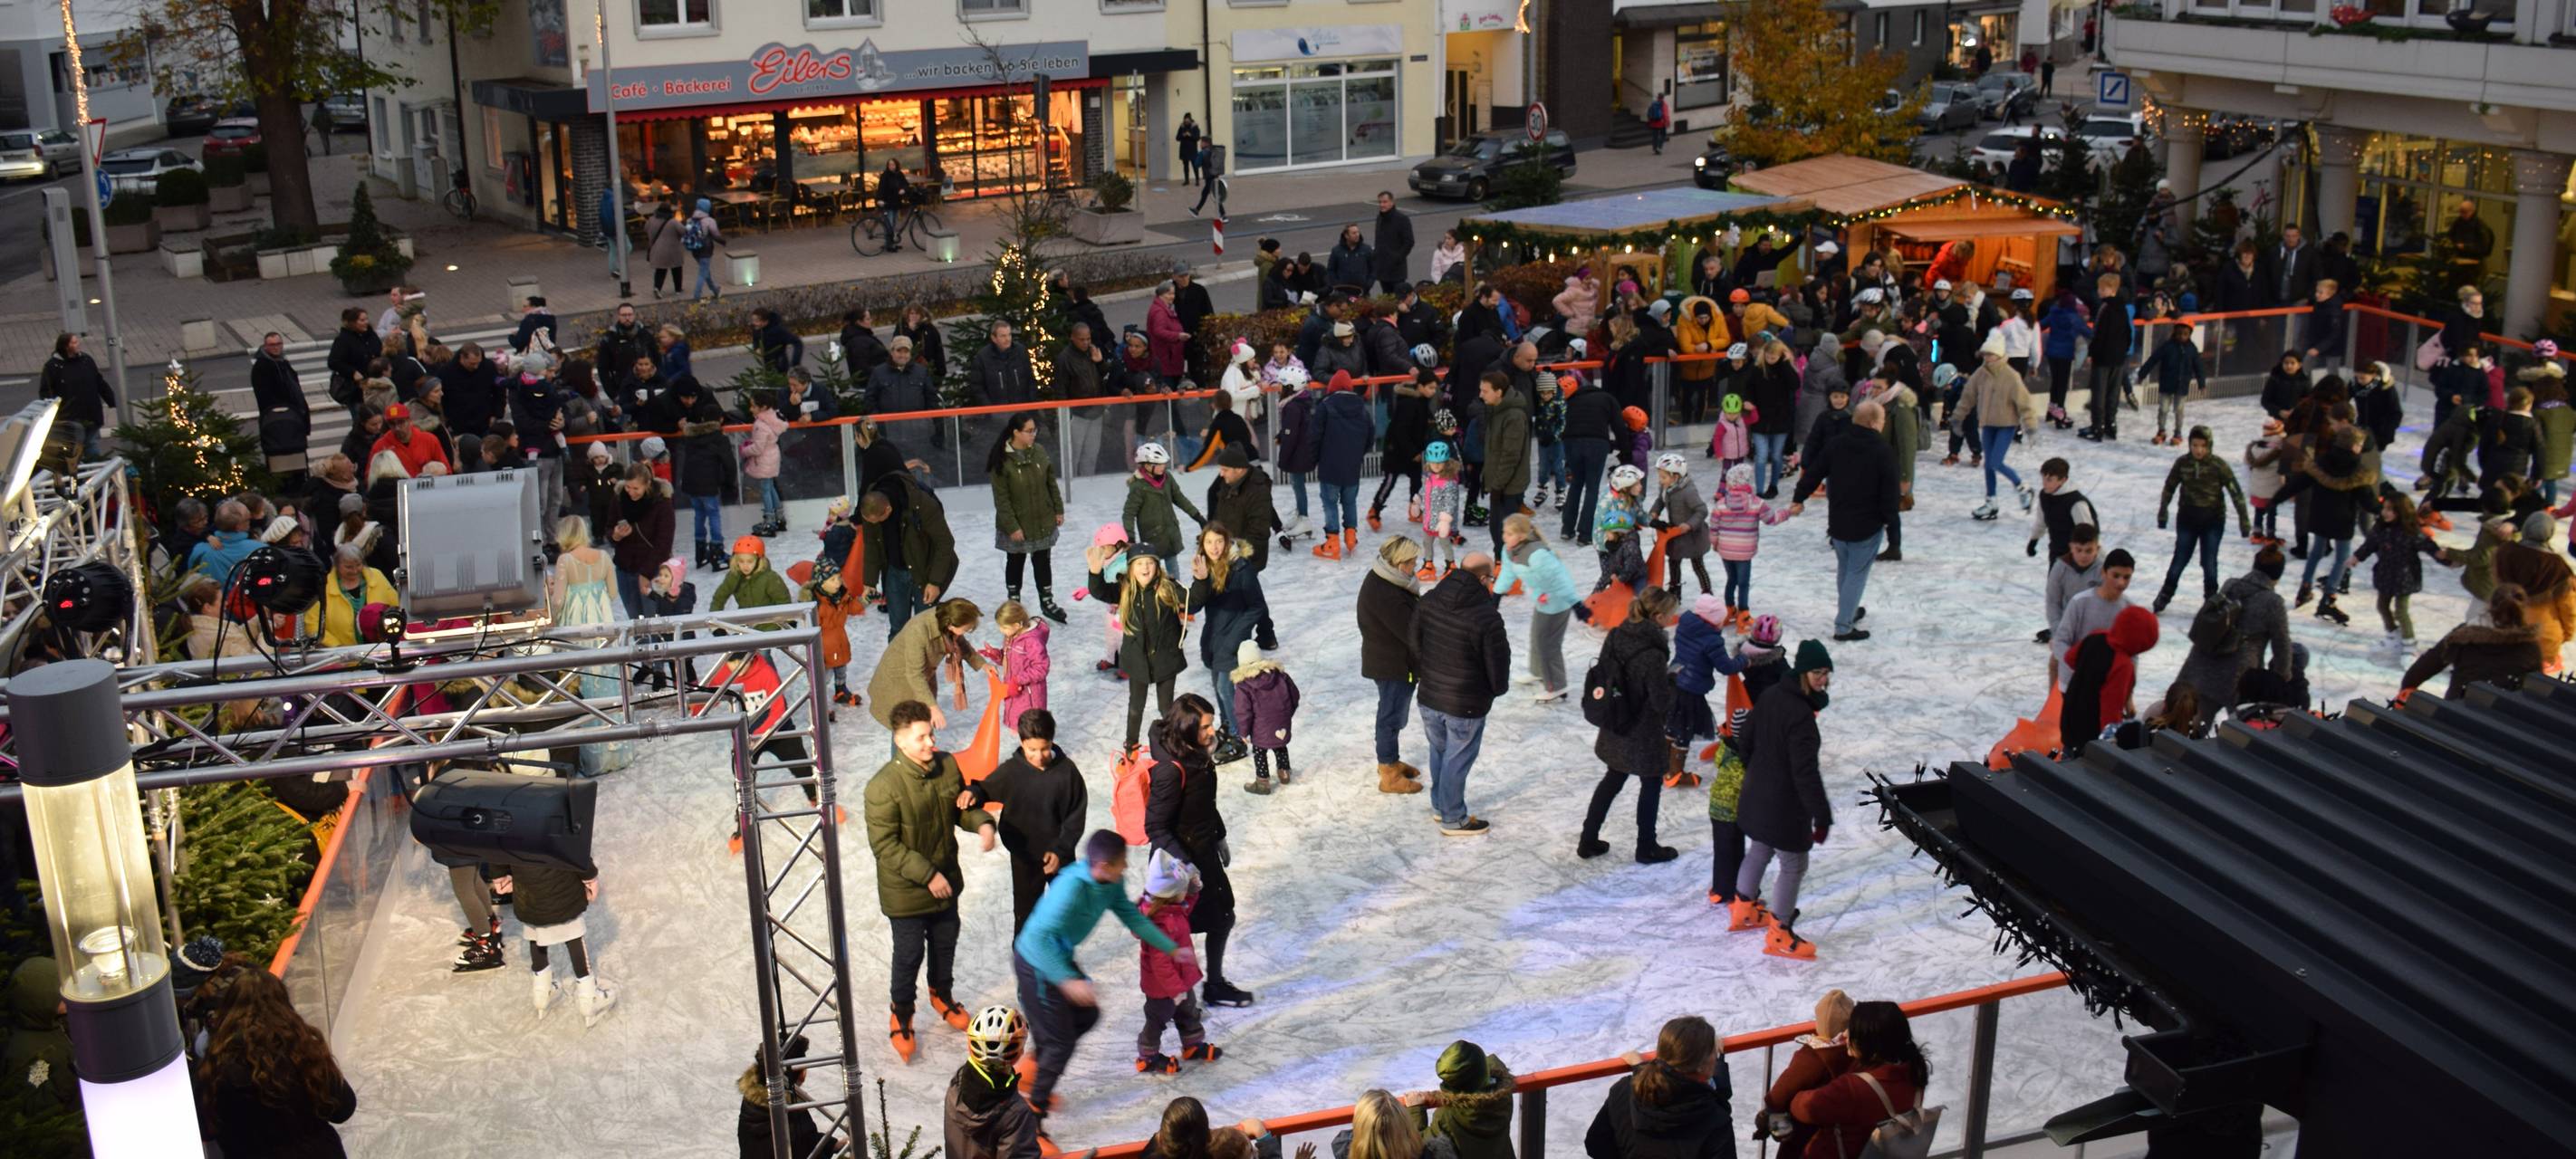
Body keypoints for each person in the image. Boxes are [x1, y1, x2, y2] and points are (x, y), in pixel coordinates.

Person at [1014, 829, 1186, 1122]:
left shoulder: (1111, 883)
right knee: (1060, 1043)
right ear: (1104, 866)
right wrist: (1067, 980)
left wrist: (1170, 947)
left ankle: (1033, 1070)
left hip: (1058, 958)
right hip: (1035, 962)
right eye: (1122, 862)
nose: (1126, 867)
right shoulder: (1070, 888)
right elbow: (1039, 939)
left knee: (1086, 1015)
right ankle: (1033, 1115)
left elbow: (1132, 917)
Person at [868, 697, 1000, 1059]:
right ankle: (902, 1012)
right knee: (909, 953)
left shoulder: (946, 766)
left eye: (930, 734)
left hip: (946, 879)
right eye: (922, 737)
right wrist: (928, 876)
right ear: (901, 741)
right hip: (906, 891)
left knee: (945, 942)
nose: (931, 742)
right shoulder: (882, 787)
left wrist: (983, 824)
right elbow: (885, 846)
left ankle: (942, 995)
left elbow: (960, 811)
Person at [1142, 694, 1254, 1006]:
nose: (1212, 731)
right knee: (1176, 932)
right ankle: (1180, 1001)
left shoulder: (1197, 755)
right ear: (1187, 728)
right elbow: (1155, 827)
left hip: (1203, 852)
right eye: (1204, 726)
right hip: (1177, 864)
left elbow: (1204, 802)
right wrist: (1186, 866)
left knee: (1223, 917)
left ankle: (1214, 986)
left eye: (1211, 723)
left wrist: (1220, 836)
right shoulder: (1171, 769)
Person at [193, 960, 358, 1157]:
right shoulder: (304, 1051)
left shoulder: (215, 1065)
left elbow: (205, 1129)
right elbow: (343, 1110)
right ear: (283, 1004)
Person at [1579, 586, 1682, 864]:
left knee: (1613, 778)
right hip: (1642, 731)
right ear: (1658, 617)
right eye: (1670, 614)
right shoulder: (1654, 654)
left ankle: (1588, 839)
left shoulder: (1616, 634)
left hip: (1615, 721)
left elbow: (1605, 672)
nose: (1672, 619)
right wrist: (1672, 681)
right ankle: (1646, 846)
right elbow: (1660, 701)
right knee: (1651, 782)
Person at [1414, 552, 1510, 836]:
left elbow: (1413, 641)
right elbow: (1498, 663)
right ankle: (1453, 817)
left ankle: (1440, 805)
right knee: (1456, 758)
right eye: (1491, 578)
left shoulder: (1430, 600)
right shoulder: (1486, 616)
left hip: (1430, 695)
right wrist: (1495, 690)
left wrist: (1426, 674)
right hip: (1465, 703)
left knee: (1440, 750)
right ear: (1483, 578)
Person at [1789, 400, 1898, 642]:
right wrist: (1893, 530)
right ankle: (1844, 626)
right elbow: (1890, 494)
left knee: (1845, 569)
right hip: (1866, 526)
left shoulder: (1837, 444)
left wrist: (1799, 497)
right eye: (1882, 420)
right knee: (1856, 574)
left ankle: (1848, 609)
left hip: (1838, 522)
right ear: (1873, 423)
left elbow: (1814, 472)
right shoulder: (1883, 450)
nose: (1883, 424)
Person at [976, 709, 1087, 934]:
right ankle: (1024, 953)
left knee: (1064, 911)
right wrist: (973, 793)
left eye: (1044, 748)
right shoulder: (1012, 771)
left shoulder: (1067, 773)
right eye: (1032, 750)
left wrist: (1061, 850)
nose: (1039, 756)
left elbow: (1075, 817)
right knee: (1026, 912)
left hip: (1060, 857)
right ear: (1022, 742)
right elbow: (986, 788)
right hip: (1024, 857)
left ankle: (1059, 952)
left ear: (1052, 741)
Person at [1789, 1001, 1931, 1159]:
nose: (1845, 1034)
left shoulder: (1853, 1088)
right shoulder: (1915, 1069)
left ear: (1870, 1043)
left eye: (1852, 1029)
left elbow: (1805, 1109)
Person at [2176, 547, 2294, 728]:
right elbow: (2282, 644)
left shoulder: (2230, 585)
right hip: (2239, 676)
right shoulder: (2273, 602)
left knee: (2193, 727)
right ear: (2278, 575)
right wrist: (2282, 676)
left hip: (2203, 662)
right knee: (2242, 732)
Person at [1582, 1015, 1732, 1159]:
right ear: (1701, 1066)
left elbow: (1596, 1144)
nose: (1715, 1056)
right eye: (1713, 1052)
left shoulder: (1624, 1090)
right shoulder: (1715, 1120)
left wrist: (1640, 1068)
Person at [1089, 540, 1189, 750]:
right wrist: (1095, 573)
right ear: (1131, 568)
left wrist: (1202, 580)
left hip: (1165, 657)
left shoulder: (1168, 588)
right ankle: (1131, 746)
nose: (1145, 567)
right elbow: (1099, 591)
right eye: (1139, 563)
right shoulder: (1124, 589)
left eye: (1149, 563)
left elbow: (1193, 599)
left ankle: (1175, 746)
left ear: (1157, 566)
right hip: (1137, 658)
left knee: (1166, 707)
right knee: (1135, 707)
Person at [1133, 849, 1221, 1073]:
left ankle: (1192, 1045)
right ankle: (1147, 1056)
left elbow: (1185, 906)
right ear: (1171, 894)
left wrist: (1192, 890)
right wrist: (1175, 990)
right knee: (1157, 1019)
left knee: (1188, 1011)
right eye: (1183, 889)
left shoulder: (1171, 910)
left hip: (1180, 980)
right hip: (1162, 988)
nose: (1185, 893)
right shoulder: (1159, 925)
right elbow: (1160, 965)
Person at [2152, 426, 2253, 612]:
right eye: (2194, 445)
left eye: (2203, 446)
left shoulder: (2218, 466)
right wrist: (2163, 512)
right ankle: (2165, 594)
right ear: (2189, 445)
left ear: (2209, 445)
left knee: (2209, 562)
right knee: (2180, 558)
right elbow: (2169, 487)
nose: (2198, 450)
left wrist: (2244, 521)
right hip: (2187, 519)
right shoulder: (2182, 463)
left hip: (2212, 521)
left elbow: (2236, 492)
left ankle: (2211, 600)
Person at [1358, 535, 1429, 795]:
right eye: (1412, 562)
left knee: (1392, 715)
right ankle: (1388, 773)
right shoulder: (1387, 593)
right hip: (1394, 665)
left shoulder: (1385, 579)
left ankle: (1391, 760)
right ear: (1399, 563)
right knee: (1391, 717)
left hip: (1392, 660)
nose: (1415, 567)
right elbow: (1412, 633)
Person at [987, 412, 1067, 620]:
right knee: (1015, 561)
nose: (1033, 435)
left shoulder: (1039, 451)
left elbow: (1050, 483)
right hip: (1017, 522)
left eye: (1034, 430)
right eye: (1029, 431)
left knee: (1043, 561)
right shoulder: (1002, 460)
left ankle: (1047, 601)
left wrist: (1058, 509)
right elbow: (1001, 500)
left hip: (1042, 519)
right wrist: (1012, 527)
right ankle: (1014, 604)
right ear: (1016, 432)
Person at [860, 470, 959, 637]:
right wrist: (869, 582)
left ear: (888, 510)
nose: (872, 524)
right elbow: (871, 544)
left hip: (925, 570)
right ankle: (897, 654)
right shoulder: (871, 506)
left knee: (924, 628)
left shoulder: (922, 504)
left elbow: (945, 543)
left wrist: (935, 582)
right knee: (898, 629)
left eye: (876, 521)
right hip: (895, 570)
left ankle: (924, 655)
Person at [1754, 990, 1853, 1156]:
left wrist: (1772, 1116)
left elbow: (1779, 1094)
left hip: (1804, 1138)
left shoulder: (1812, 1056)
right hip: (1839, 1137)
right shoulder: (1856, 1053)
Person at [2402, 584, 2543, 700]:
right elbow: (2538, 691)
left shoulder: (2464, 636)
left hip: (2457, 710)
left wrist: (2405, 694)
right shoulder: (2530, 647)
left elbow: (2420, 670)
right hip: (2503, 717)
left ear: (2490, 605)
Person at [2059, 605, 2161, 754]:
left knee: (2068, 756)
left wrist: (2089, 674)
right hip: (2090, 734)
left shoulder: (2096, 636)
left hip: (2070, 717)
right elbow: (2111, 708)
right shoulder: (2122, 665)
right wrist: (2110, 744)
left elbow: (2070, 658)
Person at [1496, 513, 1579, 702]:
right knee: (1537, 637)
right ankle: (1538, 672)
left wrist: (1547, 595)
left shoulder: (1538, 554)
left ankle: (1557, 685)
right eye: (1504, 532)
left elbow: (1560, 578)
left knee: (1548, 644)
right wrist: (1496, 595)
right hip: (1543, 601)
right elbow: (1508, 572)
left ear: (1522, 536)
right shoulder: (1510, 550)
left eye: (1509, 534)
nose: (1504, 537)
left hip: (1558, 602)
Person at [744, 1033, 848, 1159]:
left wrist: (833, 1145)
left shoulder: (760, 1100)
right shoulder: (781, 1111)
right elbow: (802, 1150)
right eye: (802, 1068)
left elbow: (806, 1139)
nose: (804, 1074)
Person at [1312, 370, 1376, 560]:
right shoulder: (1362, 409)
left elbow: (1314, 436)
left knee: (1330, 502)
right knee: (1349, 501)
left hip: (1329, 465)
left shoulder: (1325, 407)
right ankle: (1351, 537)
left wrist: (1315, 458)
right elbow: (1370, 437)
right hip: (1352, 466)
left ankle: (1332, 542)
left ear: (1332, 387)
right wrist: (1357, 455)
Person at [1229, 638, 1301, 795]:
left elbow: (1243, 711)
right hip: (1281, 721)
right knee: (1280, 745)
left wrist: (1243, 732)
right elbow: (1294, 695)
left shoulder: (1244, 685)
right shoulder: (1280, 676)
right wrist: (1286, 714)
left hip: (1260, 727)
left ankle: (1262, 782)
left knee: (1259, 751)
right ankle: (1284, 773)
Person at [610, 462, 676, 618]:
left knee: (654, 620)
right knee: (635, 621)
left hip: (654, 571)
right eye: (628, 487)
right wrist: (616, 535)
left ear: (647, 484)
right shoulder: (619, 499)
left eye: (636, 488)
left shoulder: (662, 504)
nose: (631, 492)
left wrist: (646, 573)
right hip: (625, 569)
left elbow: (664, 544)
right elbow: (608, 526)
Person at [1481, 372, 1533, 555]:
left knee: (1505, 533)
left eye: (1485, 391)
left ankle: (1507, 564)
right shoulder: (1496, 410)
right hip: (1500, 483)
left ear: (1498, 392)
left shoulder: (1513, 416)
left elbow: (1510, 455)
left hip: (1509, 486)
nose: (1481, 395)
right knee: (1497, 530)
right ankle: (1501, 562)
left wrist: (1497, 485)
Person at [2138, 319, 2207, 447]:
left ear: (2189, 334)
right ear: (2174, 333)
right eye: (2179, 333)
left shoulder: (2192, 349)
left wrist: (2201, 383)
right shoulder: (2167, 346)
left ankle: (2178, 433)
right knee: (2163, 409)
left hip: (2182, 385)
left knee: (2179, 410)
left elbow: (2198, 367)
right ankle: (2161, 431)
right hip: (2166, 383)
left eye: (2185, 334)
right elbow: (2153, 359)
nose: (2182, 336)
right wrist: (2142, 374)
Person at [2079, 273, 2133, 441]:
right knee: (2113, 392)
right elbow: (2128, 333)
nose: (2099, 291)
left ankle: (2098, 426)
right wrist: (2123, 351)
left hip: (2103, 357)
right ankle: (2111, 424)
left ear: (2112, 290)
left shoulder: (2105, 308)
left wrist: (2092, 353)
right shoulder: (2123, 309)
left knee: (2099, 392)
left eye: (2102, 289)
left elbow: (2099, 334)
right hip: (2118, 357)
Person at [1372, 191, 1415, 294]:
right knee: (1386, 297)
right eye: (1380, 202)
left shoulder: (1402, 219)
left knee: (1399, 298)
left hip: (1396, 271)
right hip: (1383, 269)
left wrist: (1397, 258)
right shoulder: (1380, 218)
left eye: (1385, 202)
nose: (1382, 205)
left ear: (1392, 202)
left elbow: (1409, 242)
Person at [687, 197, 726, 301]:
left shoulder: (690, 220)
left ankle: (715, 290)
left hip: (694, 249)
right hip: (706, 249)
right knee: (703, 273)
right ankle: (697, 295)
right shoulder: (709, 220)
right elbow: (716, 235)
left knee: (705, 271)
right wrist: (723, 242)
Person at [1176, 113, 1202, 183]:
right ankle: (1187, 180)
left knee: (1195, 165)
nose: (1186, 122)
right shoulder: (1182, 127)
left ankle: (1197, 180)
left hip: (1192, 150)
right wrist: (1183, 135)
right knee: (1185, 166)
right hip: (1184, 149)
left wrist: (1190, 135)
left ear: (1190, 120)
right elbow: (1177, 138)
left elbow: (1197, 138)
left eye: (1187, 121)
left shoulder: (1195, 127)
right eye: (1185, 120)